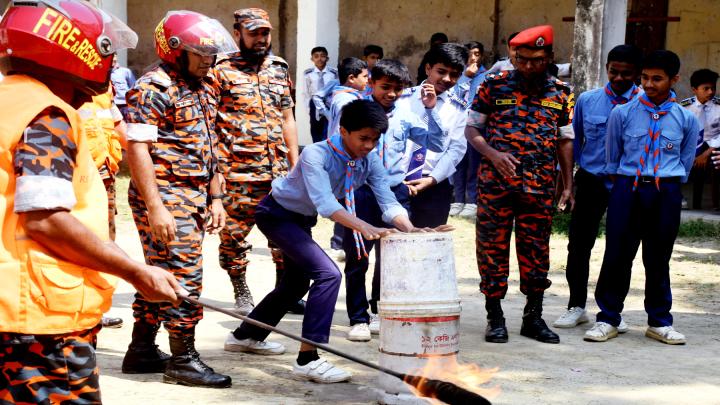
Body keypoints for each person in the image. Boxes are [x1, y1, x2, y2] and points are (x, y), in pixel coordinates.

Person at [0, 1, 180, 402]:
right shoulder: (47, 114)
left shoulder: (9, 101)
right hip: (41, 324)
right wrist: (137, 272)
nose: (109, 58)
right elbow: (45, 220)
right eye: (104, 48)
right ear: (71, 49)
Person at [224, 100, 431, 383]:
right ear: (343, 130)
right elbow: (325, 204)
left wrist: (410, 229)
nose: (369, 145)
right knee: (328, 274)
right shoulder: (315, 154)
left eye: (375, 139)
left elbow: (387, 198)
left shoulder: (368, 159)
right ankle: (308, 359)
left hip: (300, 220)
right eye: (364, 138)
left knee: (295, 284)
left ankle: (245, 336)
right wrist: (365, 227)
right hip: (276, 215)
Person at [121, 10, 235, 387]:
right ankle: (183, 359)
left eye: (210, 52)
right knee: (186, 276)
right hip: (165, 195)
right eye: (199, 52)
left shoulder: (204, 85)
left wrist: (215, 197)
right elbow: (137, 149)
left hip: (195, 194)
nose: (208, 58)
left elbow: (211, 144)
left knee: (161, 273)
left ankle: (141, 350)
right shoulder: (152, 87)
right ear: (173, 50)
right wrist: (155, 208)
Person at [465, 25, 575, 344]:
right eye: (522, 59)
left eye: (537, 60)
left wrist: (568, 184)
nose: (528, 66)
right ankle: (495, 316)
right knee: (491, 248)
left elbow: (565, 140)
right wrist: (493, 154)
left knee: (536, 250)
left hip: (540, 187)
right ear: (513, 57)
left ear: (550, 57)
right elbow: (472, 131)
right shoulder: (493, 85)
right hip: (495, 185)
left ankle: (533, 318)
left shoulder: (561, 92)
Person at [584, 50, 699, 345]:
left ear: (674, 79)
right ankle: (608, 317)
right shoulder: (622, 113)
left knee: (659, 256)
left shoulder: (686, 119)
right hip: (627, 187)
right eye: (645, 78)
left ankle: (659, 321)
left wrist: (665, 184)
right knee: (617, 254)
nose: (648, 84)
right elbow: (612, 158)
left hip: (665, 191)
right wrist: (625, 185)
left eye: (657, 79)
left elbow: (685, 161)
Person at [343, 59, 444, 342]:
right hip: (360, 191)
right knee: (359, 254)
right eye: (385, 87)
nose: (391, 94)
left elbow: (435, 144)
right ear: (371, 83)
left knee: (391, 256)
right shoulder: (353, 111)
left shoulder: (408, 114)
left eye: (397, 89)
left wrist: (430, 109)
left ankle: (380, 310)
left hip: (395, 191)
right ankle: (358, 317)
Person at [213, 8, 303, 316]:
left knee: (284, 233)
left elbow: (287, 118)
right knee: (234, 236)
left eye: (265, 32)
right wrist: (215, 172)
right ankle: (241, 290)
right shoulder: (220, 70)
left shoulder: (279, 68)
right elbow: (210, 122)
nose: (261, 39)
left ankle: (284, 293)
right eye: (254, 33)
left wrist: (295, 164)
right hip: (236, 171)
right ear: (237, 33)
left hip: (276, 171)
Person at [553, 45, 643, 330]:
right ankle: (576, 305)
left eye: (626, 74)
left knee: (621, 249)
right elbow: (573, 144)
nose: (618, 78)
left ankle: (612, 309)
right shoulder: (587, 101)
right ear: (607, 68)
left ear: (637, 74)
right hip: (590, 180)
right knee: (578, 245)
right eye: (613, 72)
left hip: (626, 184)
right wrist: (566, 185)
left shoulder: (644, 104)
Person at [398, 43, 469, 227]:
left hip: (434, 185)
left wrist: (431, 180)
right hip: (397, 182)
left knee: (429, 247)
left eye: (454, 75)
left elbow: (456, 149)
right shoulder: (402, 99)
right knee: (392, 245)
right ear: (428, 68)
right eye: (441, 71)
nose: (447, 78)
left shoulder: (458, 107)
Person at [78, 86, 130, 328]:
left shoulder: (104, 87)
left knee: (105, 241)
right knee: (80, 243)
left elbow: (117, 125)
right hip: (78, 181)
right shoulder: (64, 84)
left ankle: (96, 307)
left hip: (106, 177)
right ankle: (81, 307)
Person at [451, 41, 487, 218]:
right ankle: (458, 200)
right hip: (457, 127)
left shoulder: (487, 76)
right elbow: (454, 98)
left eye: (477, 54)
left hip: (476, 128)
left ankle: (471, 201)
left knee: (474, 164)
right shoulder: (457, 75)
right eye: (470, 54)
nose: (473, 58)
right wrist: (465, 77)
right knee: (458, 163)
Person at [681, 68, 720, 210]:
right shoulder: (685, 107)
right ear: (694, 89)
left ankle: (717, 204)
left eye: (713, 88)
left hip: (713, 146)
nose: (711, 92)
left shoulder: (718, 106)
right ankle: (687, 202)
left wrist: (706, 153)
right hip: (692, 145)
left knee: (717, 162)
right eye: (706, 88)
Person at [326, 57, 369, 140]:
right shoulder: (346, 100)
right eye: (365, 76)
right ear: (351, 78)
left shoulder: (345, 95)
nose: (367, 80)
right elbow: (342, 130)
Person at [304, 46, 338, 143]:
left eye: (322, 56)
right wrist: (308, 109)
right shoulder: (308, 73)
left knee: (328, 126)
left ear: (327, 58)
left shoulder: (334, 72)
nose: (319, 59)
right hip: (314, 104)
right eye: (316, 56)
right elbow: (306, 93)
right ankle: (316, 148)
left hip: (328, 103)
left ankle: (327, 148)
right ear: (312, 59)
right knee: (315, 128)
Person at [110, 55, 136, 120]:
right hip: (111, 105)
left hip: (125, 105)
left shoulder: (125, 71)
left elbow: (133, 87)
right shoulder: (105, 72)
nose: (114, 61)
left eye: (115, 60)